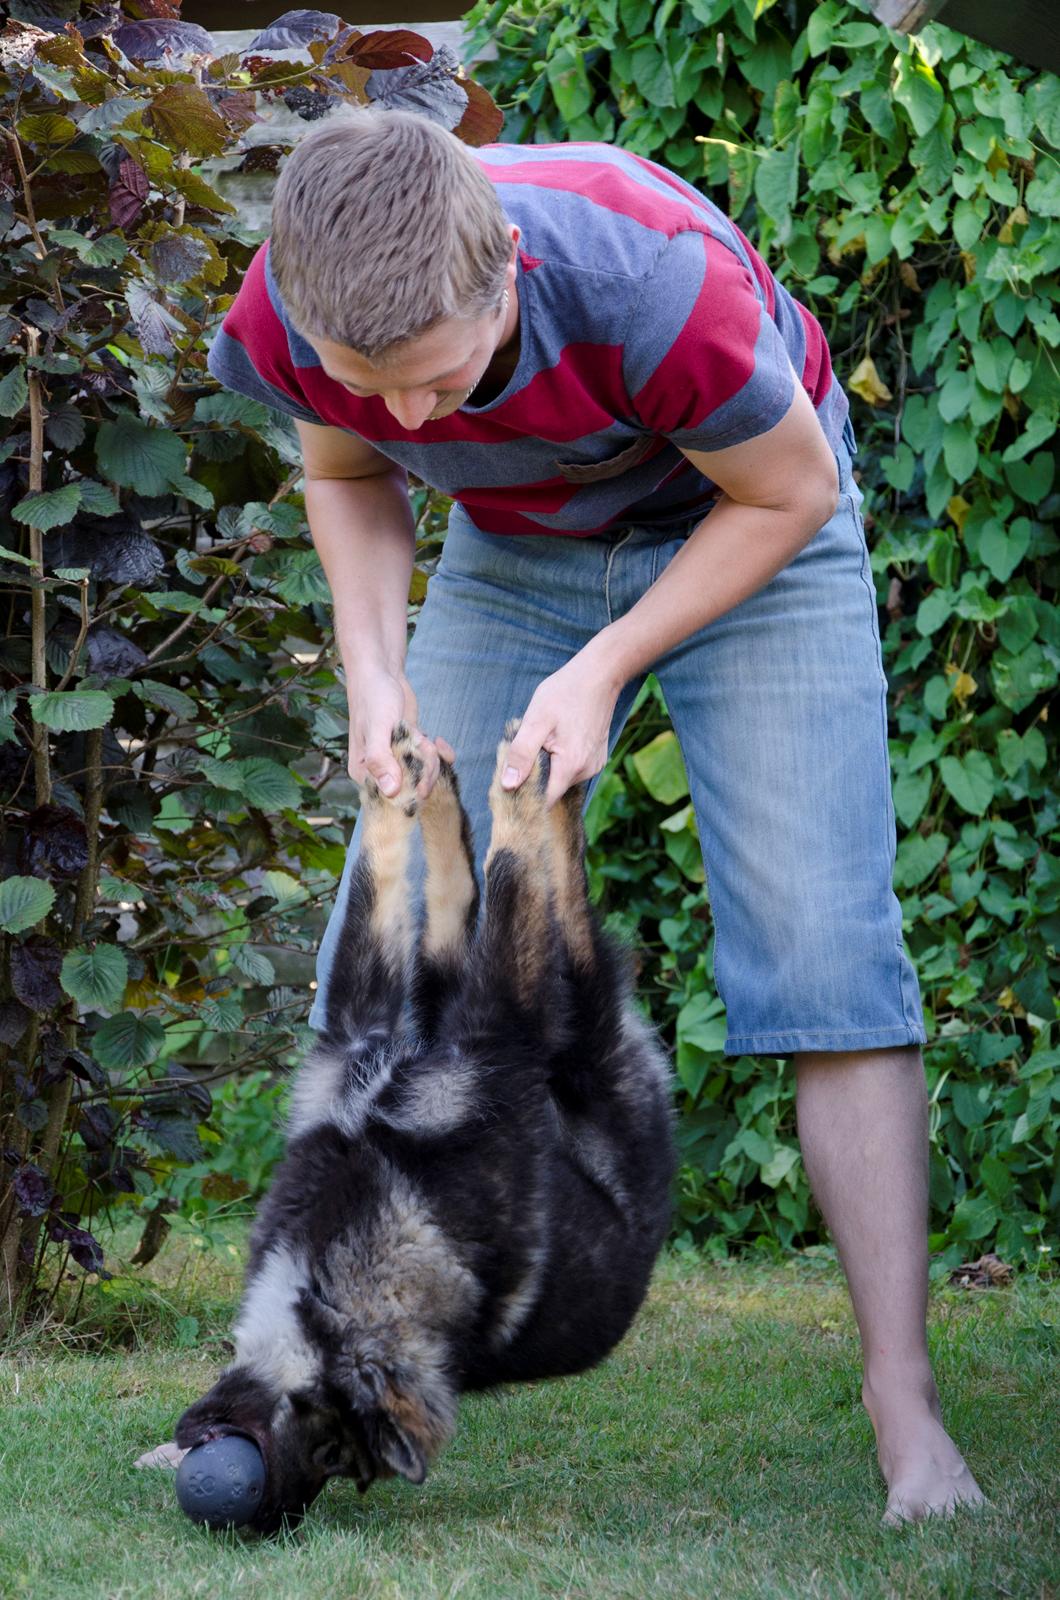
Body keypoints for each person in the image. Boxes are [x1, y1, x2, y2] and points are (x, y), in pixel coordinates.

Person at [206, 106, 985, 1525]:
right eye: (379, 386)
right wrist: (375, 676)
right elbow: (349, 473)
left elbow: (795, 487)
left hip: (746, 528)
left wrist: (605, 663)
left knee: (823, 954)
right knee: (376, 961)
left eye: (446, 377)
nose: (428, 419)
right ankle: (286, 1393)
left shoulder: (649, 276)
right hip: (511, 550)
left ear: (506, 265)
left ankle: (906, 1406)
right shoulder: (294, 307)